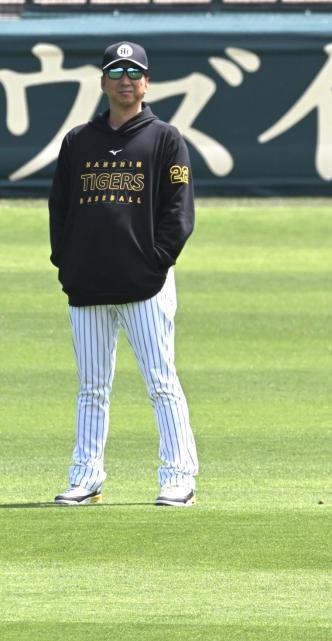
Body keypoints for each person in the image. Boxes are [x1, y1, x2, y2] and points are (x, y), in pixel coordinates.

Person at [48, 41, 199, 507]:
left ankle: (179, 476)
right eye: (116, 71)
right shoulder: (78, 141)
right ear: (102, 82)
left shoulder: (165, 138)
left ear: (147, 82)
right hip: (88, 283)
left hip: (146, 285)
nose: (125, 79)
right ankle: (86, 476)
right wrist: (66, 262)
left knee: (160, 381)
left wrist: (156, 260)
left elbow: (179, 212)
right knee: (92, 387)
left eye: (134, 71)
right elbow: (60, 208)